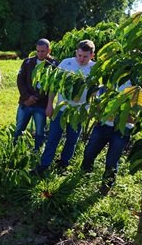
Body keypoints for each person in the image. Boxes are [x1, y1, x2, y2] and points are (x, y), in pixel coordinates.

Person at [34, 40, 96, 174]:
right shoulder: (66, 63)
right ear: (76, 53)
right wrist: (50, 105)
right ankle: (44, 165)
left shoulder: (95, 69)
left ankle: (63, 164)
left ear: (92, 55)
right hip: (61, 108)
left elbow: (96, 92)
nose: (81, 59)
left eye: (85, 56)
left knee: (72, 140)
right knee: (53, 138)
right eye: (79, 55)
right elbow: (54, 86)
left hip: (79, 112)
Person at [81, 81, 138, 196]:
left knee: (112, 160)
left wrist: (119, 116)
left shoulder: (138, 85)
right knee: (89, 152)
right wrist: (102, 111)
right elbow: (98, 103)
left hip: (122, 130)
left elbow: (136, 117)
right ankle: (84, 175)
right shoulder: (110, 80)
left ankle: (106, 187)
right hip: (103, 125)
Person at [13, 39, 59, 150]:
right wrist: (27, 97)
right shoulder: (28, 62)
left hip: (41, 104)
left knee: (40, 131)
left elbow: (53, 86)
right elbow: (20, 81)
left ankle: (37, 152)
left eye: (43, 51)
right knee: (19, 128)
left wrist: (37, 98)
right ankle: (14, 150)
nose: (40, 54)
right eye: (38, 51)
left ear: (49, 50)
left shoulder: (53, 65)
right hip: (26, 102)